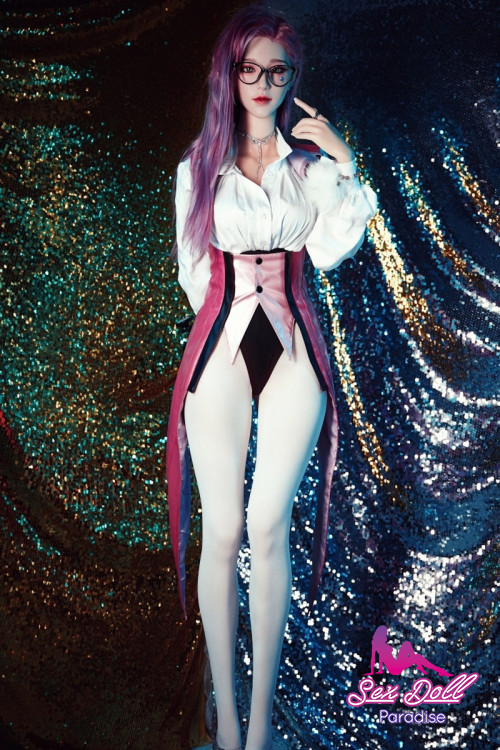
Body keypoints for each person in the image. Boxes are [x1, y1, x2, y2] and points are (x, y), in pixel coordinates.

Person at [166, 5, 377, 749]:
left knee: (266, 523)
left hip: (293, 349)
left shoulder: (310, 168)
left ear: (292, 78)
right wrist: (225, 328)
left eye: (277, 70)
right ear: (229, 73)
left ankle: (257, 731)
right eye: (249, 68)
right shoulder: (198, 167)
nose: (263, 82)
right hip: (221, 344)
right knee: (223, 528)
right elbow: (195, 276)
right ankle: (225, 723)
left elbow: (334, 249)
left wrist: (343, 161)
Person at [363, 626, 454, 677]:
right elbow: (375, 658)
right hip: (394, 668)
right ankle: (435, 669)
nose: (386, 636)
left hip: (396, 663)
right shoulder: (378, 645)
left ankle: (425, 666)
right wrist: (375, 671)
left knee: (407, 644)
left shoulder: (382, 644)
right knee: (417, 657)